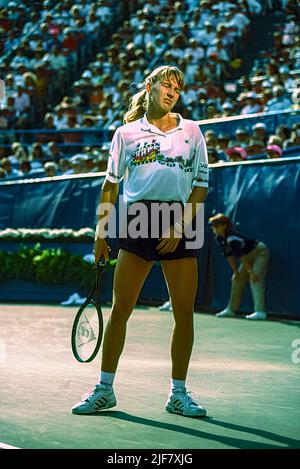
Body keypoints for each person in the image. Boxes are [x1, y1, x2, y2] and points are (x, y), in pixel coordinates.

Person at [72, 65, 209, 418]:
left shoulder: (193, 131)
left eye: (177, 89)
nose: (172, 92)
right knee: (120, 311)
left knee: (184, 314)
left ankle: (178, 394)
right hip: (137, 220)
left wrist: (178, 226)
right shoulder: (126, 133)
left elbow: (200, 186)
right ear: (149, 86)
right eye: (167, 84)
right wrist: (101, 235)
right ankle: (104, 390)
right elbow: (110, 186)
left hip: (181, 222)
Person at [208, 213, 270, 320]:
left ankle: (260, 312)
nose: (214, 228)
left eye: (216, 225)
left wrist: (250, 272)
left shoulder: (232, 239)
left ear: (224, 226)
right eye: (213, 226)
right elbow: (229, 256)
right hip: (246, 256)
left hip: (260, 252)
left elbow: (240, 257)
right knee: (236, 279)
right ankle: (231, 310)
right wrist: (236, 272)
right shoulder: (219, 239)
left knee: (255, 279)